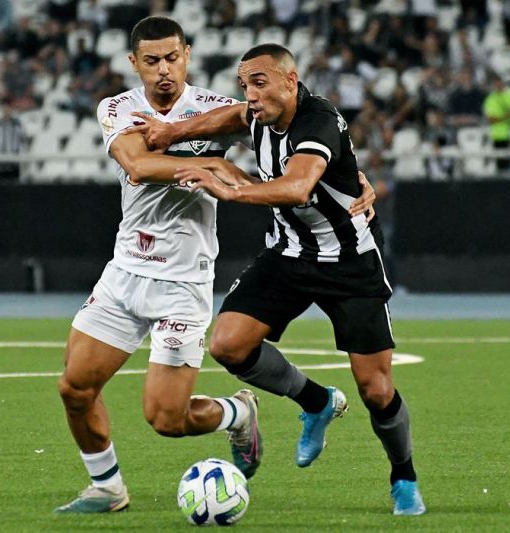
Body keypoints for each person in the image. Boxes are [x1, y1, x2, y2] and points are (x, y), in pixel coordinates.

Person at [54, 16, 378, 515]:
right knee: (75, 388)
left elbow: (300, 147)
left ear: (186, 53)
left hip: (183, 282)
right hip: (125, 270)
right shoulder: (118, 107)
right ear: (133, 63)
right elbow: (138, 166)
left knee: (165, 418)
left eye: (172, 57)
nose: (163, 70)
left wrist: (354, 183)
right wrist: (218, 166)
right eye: (151, 60)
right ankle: (107, 487)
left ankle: (235, 412)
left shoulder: (222, 109)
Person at [131, 43, 425, 516]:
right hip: (288, 254)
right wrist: (172, 131)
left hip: (349, 262)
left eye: (260, 83)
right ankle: (316, 402)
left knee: (375, 388)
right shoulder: (257, 113)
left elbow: (297, 187)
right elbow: (226, 118)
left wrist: (226, 188)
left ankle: (404, 477)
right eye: (244, 85)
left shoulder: (319, 121)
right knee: (227, 344)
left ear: (291, 80)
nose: (250, 95)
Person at [483, 75, 510, 174]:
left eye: (500, 82)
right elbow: (491, 119)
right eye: (496, 83)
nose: (499, 85)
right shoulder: (490, 99)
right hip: (499, 136)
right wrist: (508, 115)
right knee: (503, 165)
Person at [0, 100, 25, 181]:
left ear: (11, 110)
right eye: (4, 108)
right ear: (1, 110)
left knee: (14, 183)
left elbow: (22, 139)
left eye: (8, 108)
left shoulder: (17, 124)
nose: (6, 110)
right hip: (0, 159)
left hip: (13, 159)